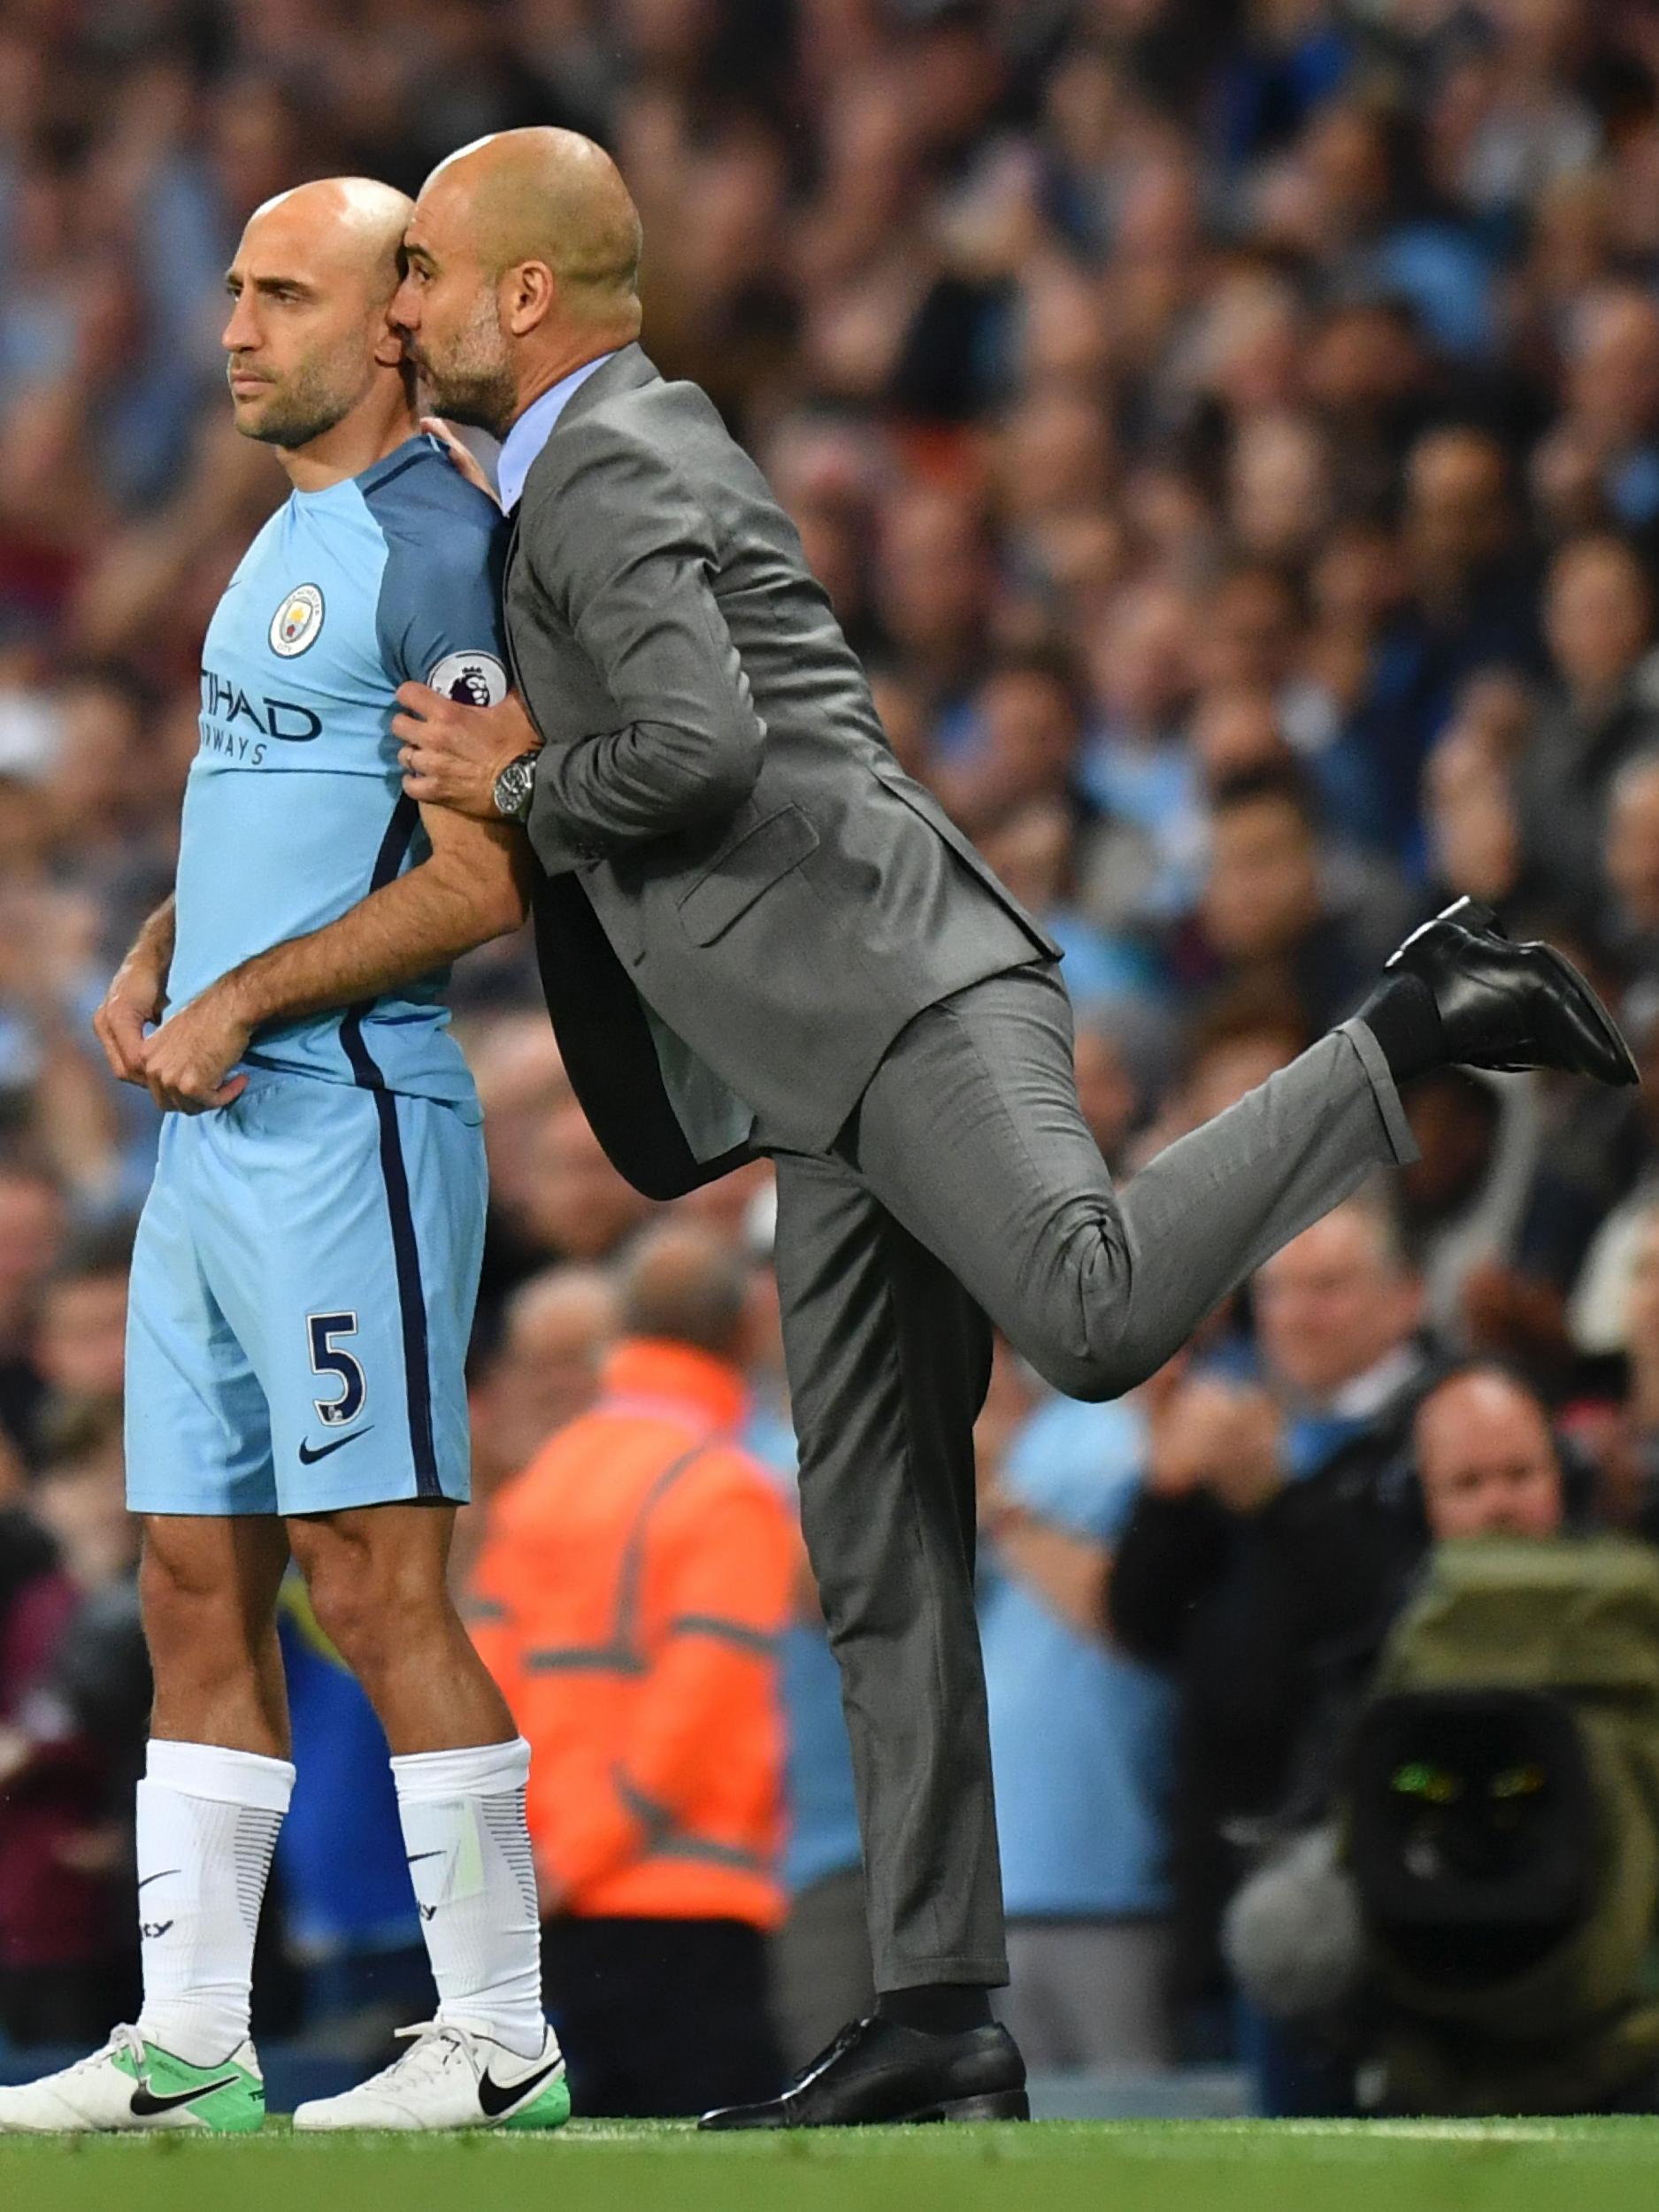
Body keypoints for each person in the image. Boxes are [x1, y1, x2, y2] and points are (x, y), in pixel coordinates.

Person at [383, 125, 1637, 2130]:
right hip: (819, 1059)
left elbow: (693, 749)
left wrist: (519, 786)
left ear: (524, 293)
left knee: (1085, 1311)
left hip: (902, 994)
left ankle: (1403, 1015)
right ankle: (935, 2003)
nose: (401, 305)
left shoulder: (607, 461)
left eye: (423, 270)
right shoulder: (590, 463)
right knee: (876, 1543)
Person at [0, 179, 564, 2136]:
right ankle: (188, 2045)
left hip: (350, 1124)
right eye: (230, 287)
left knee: (370, 1580)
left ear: (391, 322)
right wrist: (172, 948)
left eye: (281, 294)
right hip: (210, 1142)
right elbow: (267, 781)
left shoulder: (433, 546)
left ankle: (499, 2032)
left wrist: (247, 1003)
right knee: (184, 1576)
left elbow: (484, 875)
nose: (233, 326)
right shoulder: (283, 530)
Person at [468, 1224, 793, 2116]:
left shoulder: (545, 1481)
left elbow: (485, 1682)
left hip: (553, 1898)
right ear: (743, 1335)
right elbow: (706, 1698)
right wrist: (599, 1844)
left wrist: (535, 1857)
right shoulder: (723, 1487)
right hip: (683, 1894)